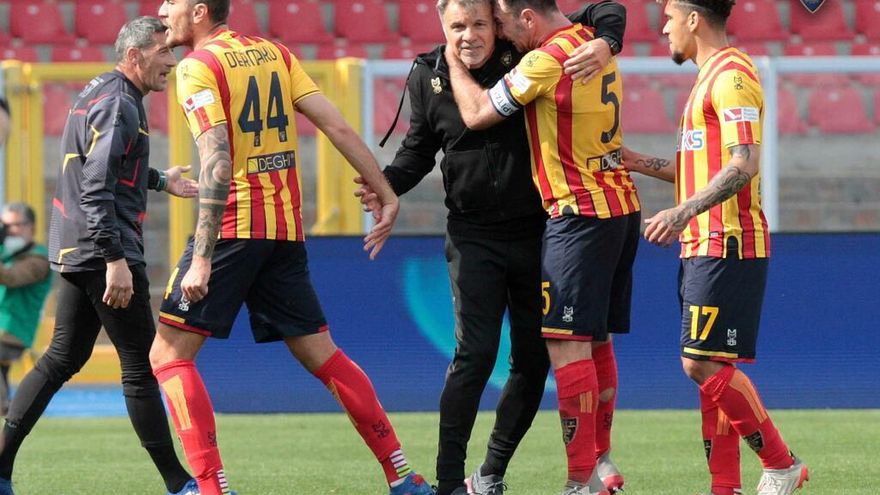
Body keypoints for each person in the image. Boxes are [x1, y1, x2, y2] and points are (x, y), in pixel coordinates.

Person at [149, 2, 432, 494]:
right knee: (323, 355)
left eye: (171, 1)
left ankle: (212, 488)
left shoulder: (197, 66)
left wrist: (203, 256)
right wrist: (385, 191)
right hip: (283, 228)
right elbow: (336, 125)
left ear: (198, 11)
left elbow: (216, 158)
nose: (161, 10)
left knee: (168, 355)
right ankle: (403, 476)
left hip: (234, 226)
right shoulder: (274, 53)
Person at [356, 0, 626, 493]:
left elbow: (604, 9)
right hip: (472, 236)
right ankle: (448, 482)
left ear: (496, 24)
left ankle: (492, 472)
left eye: (480, 23)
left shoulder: (522, 51)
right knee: (475, 356)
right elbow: (418, 149)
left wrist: (608, 42)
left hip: (536, 232)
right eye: (458, 26)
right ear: (442, 25)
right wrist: (386, 186)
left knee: (533, 361)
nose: (470, 35)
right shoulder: (427, 74)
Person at [444, 1, 641, 493]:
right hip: (620, 206)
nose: (504, 35)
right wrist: (609, 38)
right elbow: (609, 8)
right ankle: (601, 462)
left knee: (566, 346)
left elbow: (477, 113)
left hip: (578, 216)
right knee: (595, 340)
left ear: (528, 18)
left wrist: (451, 61)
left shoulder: (545, 59)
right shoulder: (589, 41)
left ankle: (580, 481)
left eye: (505, 24)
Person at [0, 17, 202, 495]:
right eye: (162, 51)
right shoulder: (120, 104)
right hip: (104, 249)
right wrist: (115, 260)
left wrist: (161, 180)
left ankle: (1, 468)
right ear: (134, 55)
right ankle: (180, 483)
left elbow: (105, 166)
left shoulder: (101, 91)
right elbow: (96, 187)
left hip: (76, 245)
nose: (172, 61)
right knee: (140, 365)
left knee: (60, 358)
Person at [620, 1, 808, 494]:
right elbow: (696, 169)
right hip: (701, 243)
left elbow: (743, 164)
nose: (663, 27)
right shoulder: (706, 79)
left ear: (693, 19)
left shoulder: (732, 75)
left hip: (728, 240)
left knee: (699, 363)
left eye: (669, 16)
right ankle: (725, 487)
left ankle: (782, 464)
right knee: (710, 366)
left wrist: (681, 212)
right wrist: (635, 161)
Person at [0, 203, 52, 416]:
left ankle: (6, 409)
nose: (8, 231)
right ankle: (9, 413)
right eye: (4, 226)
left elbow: (11, 278)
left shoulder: (38, 259)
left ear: (31, 227)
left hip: (13, 331)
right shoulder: (8, 253)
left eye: (13, 225)